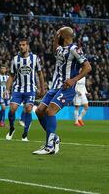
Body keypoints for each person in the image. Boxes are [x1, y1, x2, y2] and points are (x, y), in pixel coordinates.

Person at [33, 27, 92, 155]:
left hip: (67, 88)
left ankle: (50, 146)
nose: (57, 36)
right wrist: (56, 35)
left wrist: (73, 80)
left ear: (64, 36)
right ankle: (54, 138)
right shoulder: (60, 49)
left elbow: (87, 67)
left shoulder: (74, 49)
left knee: (50, 111)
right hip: (54, 87)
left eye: (59, 34)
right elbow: (54, 49)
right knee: (39, 111)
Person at [4, 38, 45, 141]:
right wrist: (7, 89)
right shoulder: (15, 59)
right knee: (12, 109)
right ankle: (12, 128)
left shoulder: (35, 58)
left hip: (30, 88)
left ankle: (25, 134)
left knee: (28, 109)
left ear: (27, 46)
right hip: (18, 89)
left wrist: (42, 89)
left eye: (23, 45)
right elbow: (11, 76)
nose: (21, 47)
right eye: (20, 45)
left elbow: (40, 74)